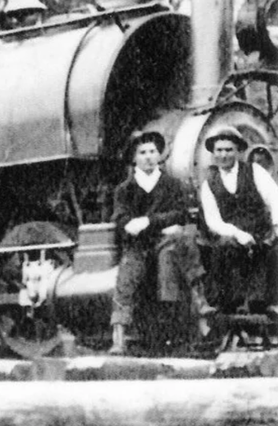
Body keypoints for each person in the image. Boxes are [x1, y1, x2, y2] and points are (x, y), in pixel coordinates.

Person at [109, 130, 209, 354]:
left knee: (170, 263)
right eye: (143, 152)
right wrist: (130, 225)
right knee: (127, 276)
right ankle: (119, 336)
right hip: (138, 246)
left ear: (159, 155)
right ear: (134, 157)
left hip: (164, 241)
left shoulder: (171, 184)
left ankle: (190, 315)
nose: (148, 157)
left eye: (153, 151)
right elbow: (120, 219)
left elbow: (179, 213)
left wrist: (148, 221)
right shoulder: (125, 189)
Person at [199, 128, 278, 319]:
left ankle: (267, 304)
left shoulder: (254, 171)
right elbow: (213, 221)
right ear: (213, 153)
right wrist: (237, 233)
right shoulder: (209, 183)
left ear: (237, 151)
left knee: (273, 252)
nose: (224, 155)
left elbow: (275, 198)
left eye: (228, 150)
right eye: (219, 150)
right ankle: (230, 307)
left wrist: (276, 227)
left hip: (261, 232)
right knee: (225, 248)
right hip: (231, 236)